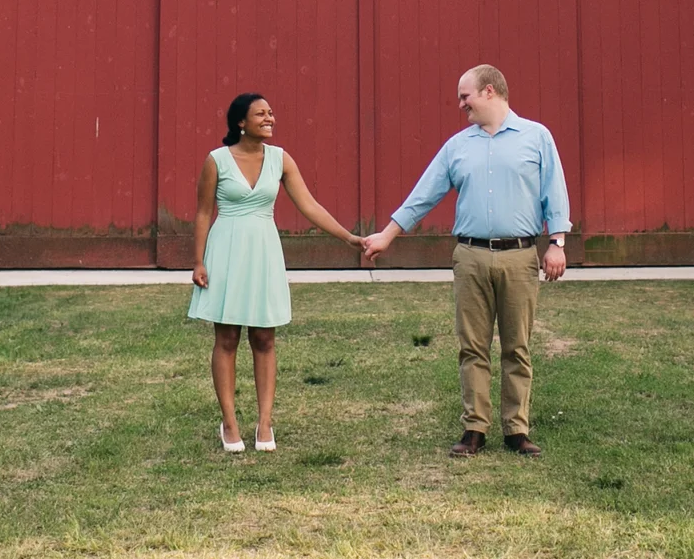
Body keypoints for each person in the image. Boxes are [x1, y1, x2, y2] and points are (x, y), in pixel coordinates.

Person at [359, 64, 570, 457]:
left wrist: (556, 242)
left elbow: (553, 192)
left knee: (517, 346)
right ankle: (475, 429)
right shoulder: (457, 147)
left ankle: (516, 430)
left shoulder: (536, 137)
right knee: (472, 346)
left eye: (465, 96)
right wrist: (387, 235)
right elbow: (424, 194)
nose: (461, 104)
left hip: (520, 256)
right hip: (470, 257)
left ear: (489, 91)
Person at [189, 91, 363, 452]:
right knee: (227, 338)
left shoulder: (281, 159)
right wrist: (199, 261)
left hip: (264, 253)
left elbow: (309, 205)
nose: (269, 119)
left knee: (264, 338)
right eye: (260, 114)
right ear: (241, 122)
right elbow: (204, 212)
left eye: (271, 113)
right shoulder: (217, 160)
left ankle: (265, 423)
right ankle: (229, 423)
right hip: (226, 252)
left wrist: (347, 237)